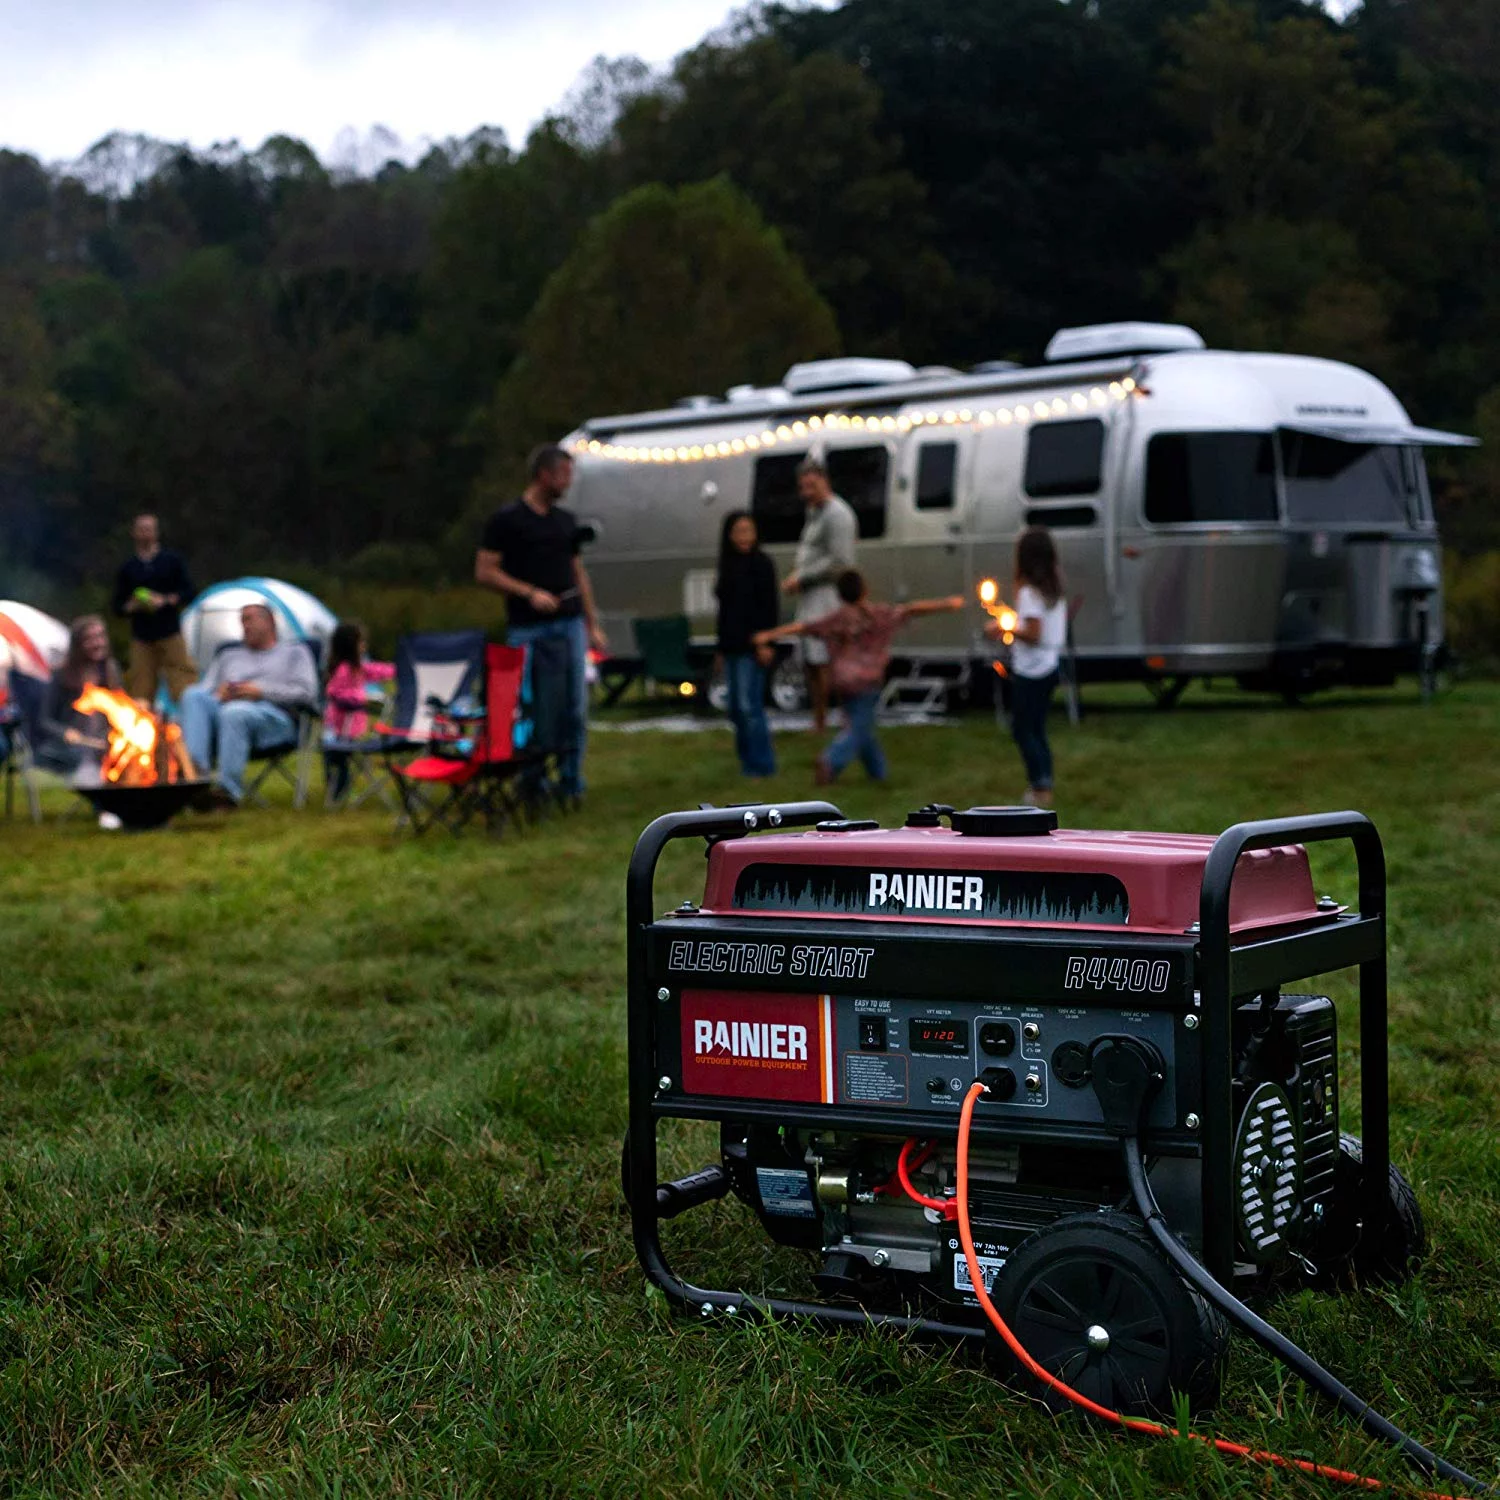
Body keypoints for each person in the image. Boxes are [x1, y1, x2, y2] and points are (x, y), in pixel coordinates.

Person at [474, 443, 608, 803]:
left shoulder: (565, 521)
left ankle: (570, 781)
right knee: (533, 707)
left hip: (569, 625)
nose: (568, 481)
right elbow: (485, 571)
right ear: (544, 475)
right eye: (564, 474)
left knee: (573, 708)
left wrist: (592, 624)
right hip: (528, 628)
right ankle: (530, 780)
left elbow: (579, 574)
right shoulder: (507, 520)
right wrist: (529, 592)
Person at [756, 569, 963, 785]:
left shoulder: (838, 619)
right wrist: (948, 604)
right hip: (868, 682)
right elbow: (911, 610)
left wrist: (769, 635)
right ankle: (831, 760)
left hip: (843, 682)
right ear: (865, 590)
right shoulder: (879, 615)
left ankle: (878, 773)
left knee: (862, 727)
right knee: (858, 729)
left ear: (839, 595)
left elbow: (804, 627)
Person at [179, 603, 318, 809]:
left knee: (235, 712)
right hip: (226, 716)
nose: (244, 626)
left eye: (249, 619)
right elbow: (206, 691)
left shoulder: (295, 653)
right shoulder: (229, 654)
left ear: (269, 621)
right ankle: (195, 781)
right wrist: (220, 694)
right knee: (192, 695)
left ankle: (226, 793)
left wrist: (261, 691)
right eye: (242, 621)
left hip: (276, 719)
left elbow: (308, 693)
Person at [991, 526, 1068, 808]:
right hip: (1049, 664)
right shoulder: (1053, 588)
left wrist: (1004, 630)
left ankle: (1040, 787)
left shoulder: (1028, 593)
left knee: (1023, 729)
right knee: (1037, 727)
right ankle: (1044, 780)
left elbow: (1033, 634)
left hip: (1032, 668)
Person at [780, 458, 857, 734]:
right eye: (803, 487)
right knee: (812, 661)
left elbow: (840, 562)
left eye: (811, 486)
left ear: (825, 481)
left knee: (827, 660)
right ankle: (820, 721)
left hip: (828, 597)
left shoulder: (838, 515)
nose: (806, 493)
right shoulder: (814, 513)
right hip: (811, 596)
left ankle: (841, 720)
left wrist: (802, 577)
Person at [715, 510, 779, 778]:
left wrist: (767, 642)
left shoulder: (762, 564)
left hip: (754, 645)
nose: (744, 537)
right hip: (732, 645)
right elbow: (725, 611)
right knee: (736, 709)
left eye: (748, 531)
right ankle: (747, 762)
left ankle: (762, 765)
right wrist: (720, 648)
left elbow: (769, 606)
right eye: (738, 531)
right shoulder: (727, 567)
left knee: (749, 705)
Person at [111, 513, 198, 705]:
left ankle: (188, 723)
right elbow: (118, 607)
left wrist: (165, 600)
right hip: (142, 636)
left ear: (156, 533)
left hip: (170, 632)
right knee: (141, 686)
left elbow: (189, 592)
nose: (145, 534)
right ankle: (143, 729)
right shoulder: (129, 568)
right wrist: (133, 605)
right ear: (133, 533)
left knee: (183, 681)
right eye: (141, 529)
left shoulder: (171, 561)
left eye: (149, 529)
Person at [35, 615, 122, 791]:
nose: (98, 643)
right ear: (78, 645)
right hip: (68, 747)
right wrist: (65, 732)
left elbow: (122, 712)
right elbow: (44, 720)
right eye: (89, 639)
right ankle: (105, 804)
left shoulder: (111, 671)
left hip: (104, 741)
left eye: (100, 636)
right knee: (91, 758)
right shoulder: (62, 675)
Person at [321, 621, 395, 803]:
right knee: (337, 759)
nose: (364, 646)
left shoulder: (356, 668)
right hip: (339, 726)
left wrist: (397, 669)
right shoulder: (344, 670)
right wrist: (362, 698)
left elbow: (375, 670)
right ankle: (337, 792)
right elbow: (334, 692)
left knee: (337, 760)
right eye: (361, 642)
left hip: (347, 726)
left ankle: (337, 793)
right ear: (351, 645)